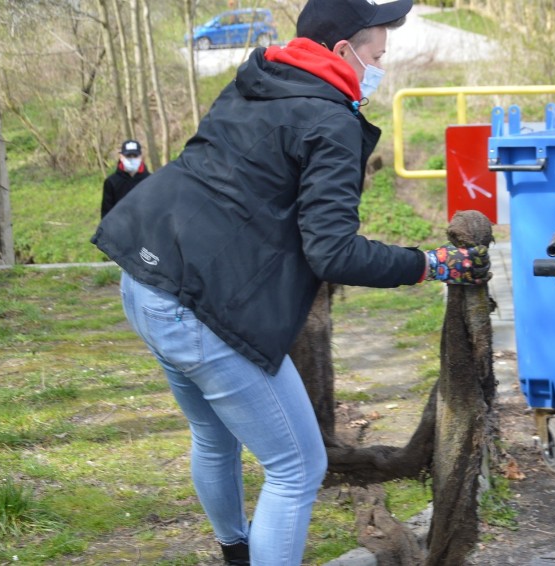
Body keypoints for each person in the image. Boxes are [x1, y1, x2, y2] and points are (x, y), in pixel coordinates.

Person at [90, 0, 490, 564]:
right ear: (343, 51)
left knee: (214, 436)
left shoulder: (256, 81)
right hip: (196, 309)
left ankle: (237, 551)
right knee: (298, 468)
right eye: (378, 53)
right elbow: (333, 252)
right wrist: (429, 264)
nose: (382, 64)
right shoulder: (331, 121)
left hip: (145, 279)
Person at [101, 139, 150, 219]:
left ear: (140, 157)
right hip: (120, 228)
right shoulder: (111, 182)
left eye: (135, 156)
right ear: (121, 157)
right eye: (128, 156)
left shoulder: (150, 180)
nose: (131, 159)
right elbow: (106, 214)